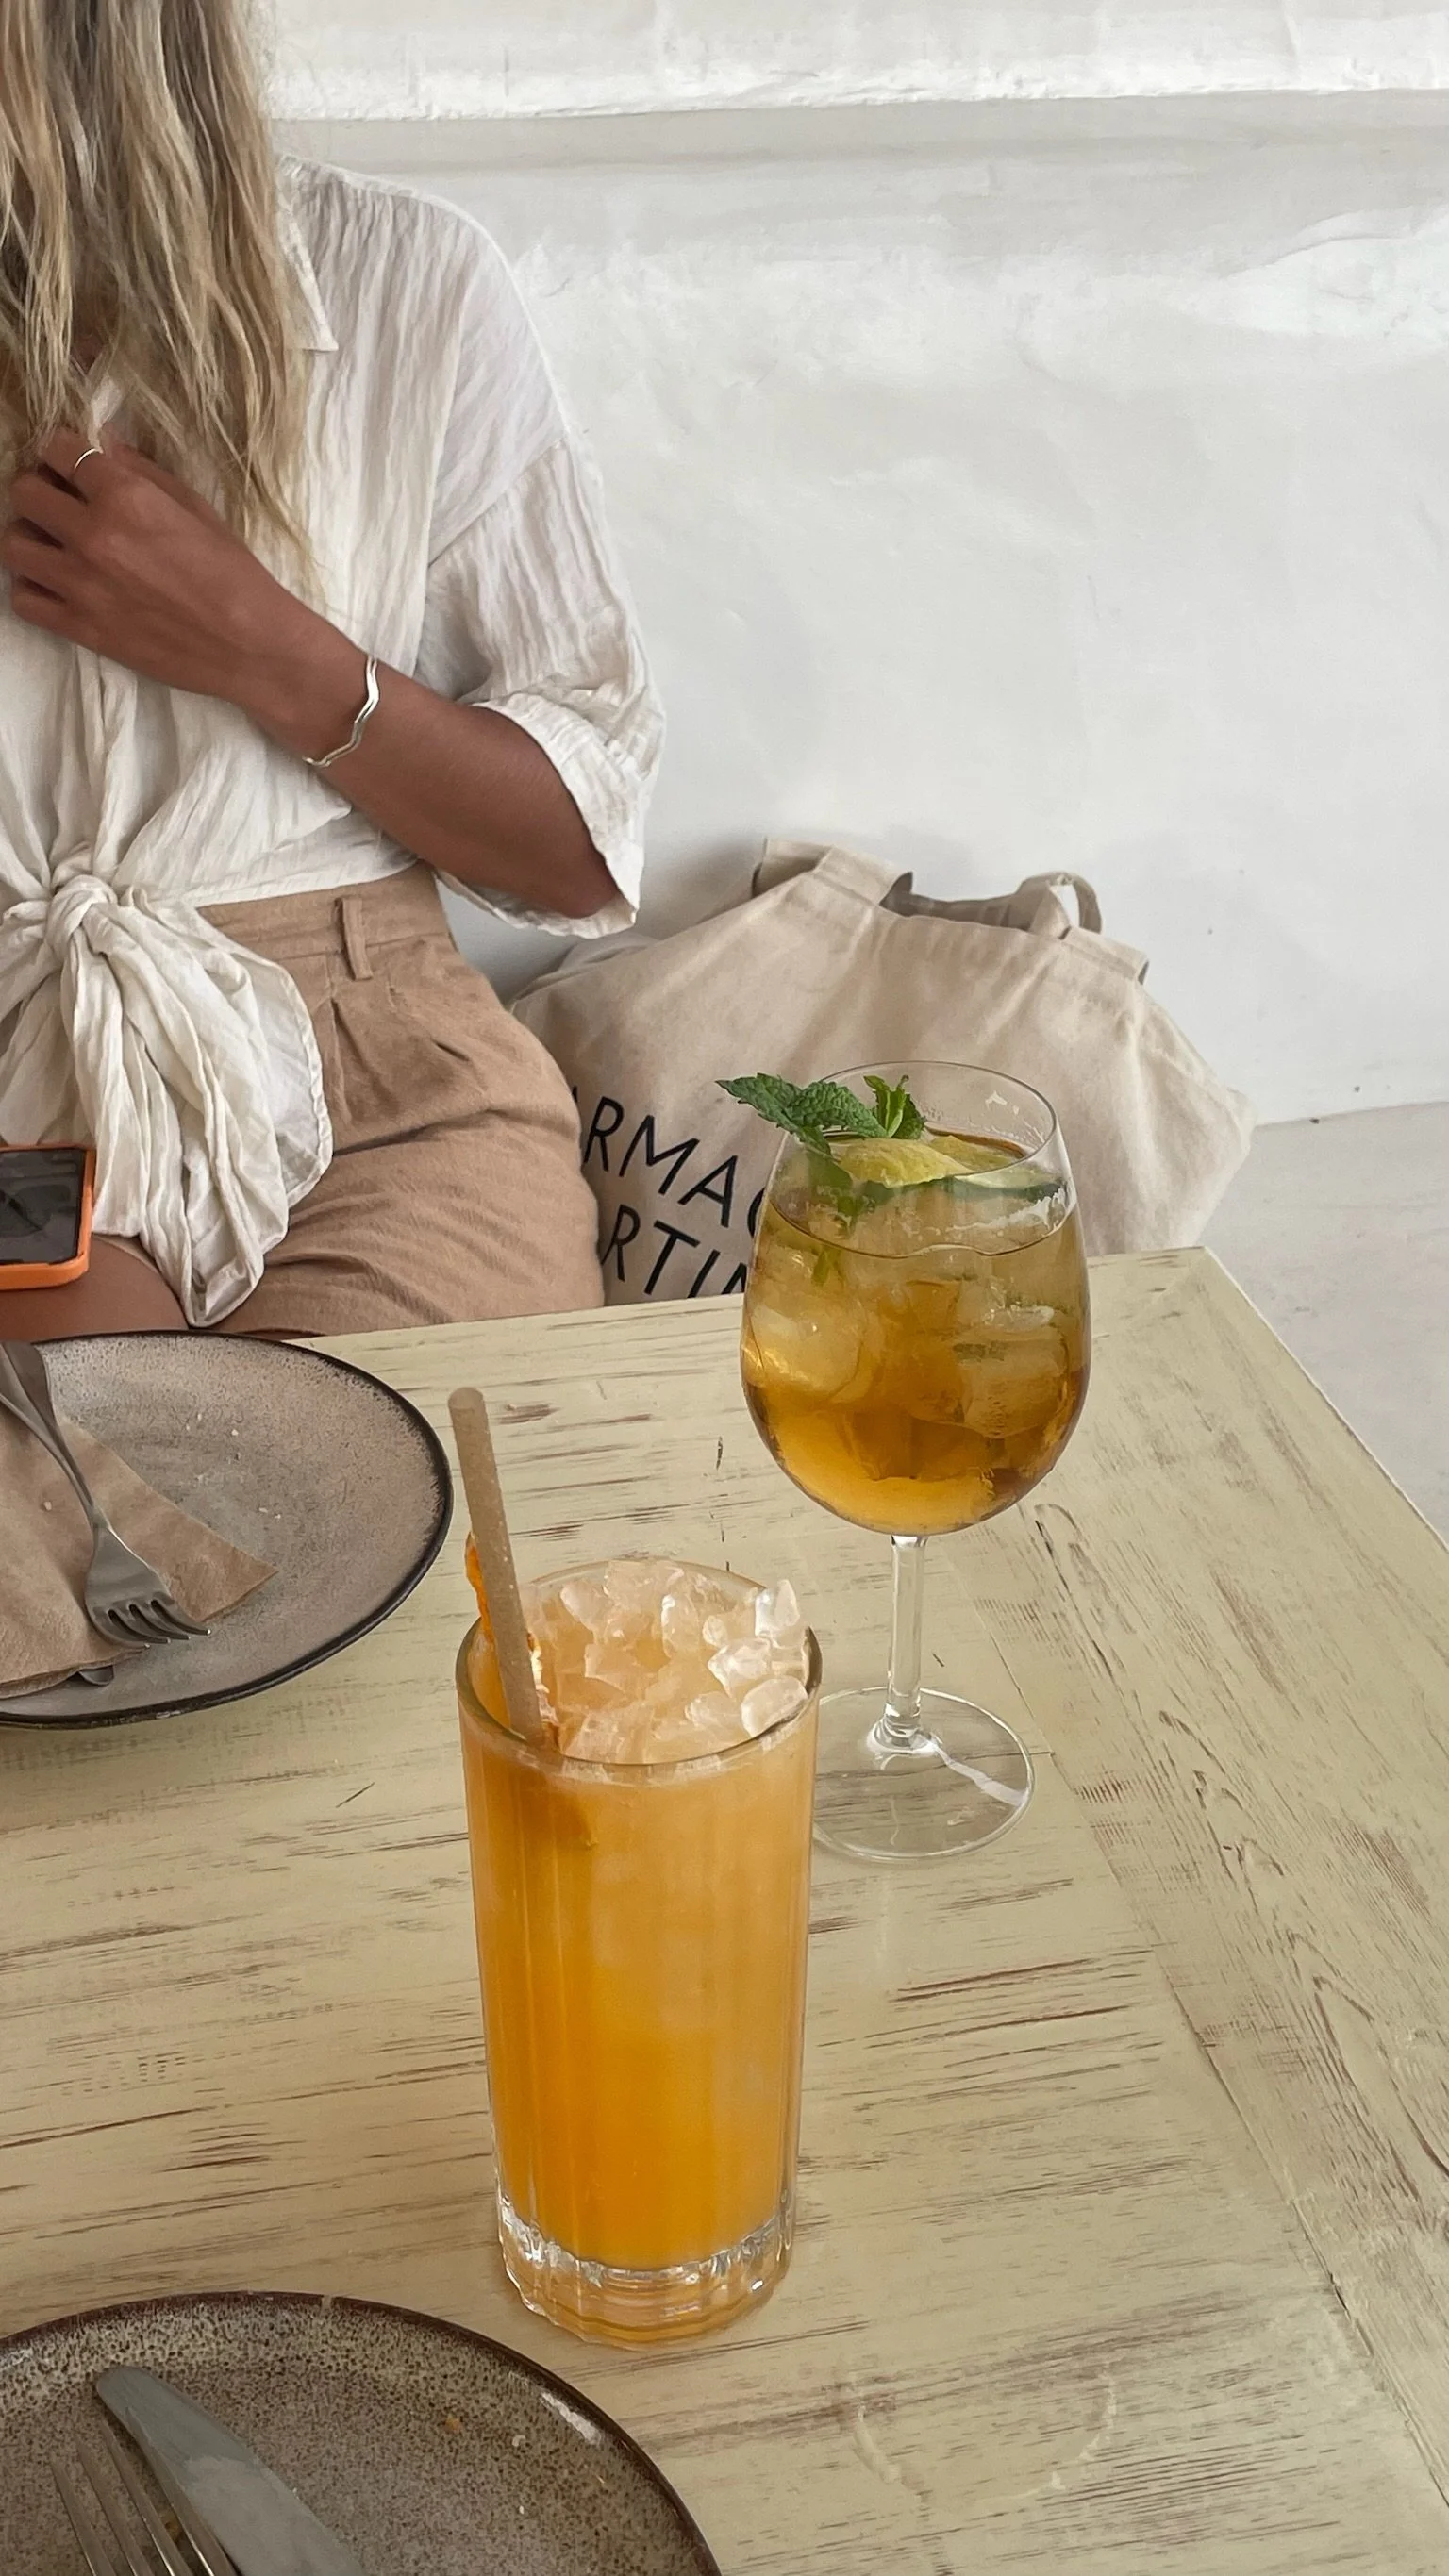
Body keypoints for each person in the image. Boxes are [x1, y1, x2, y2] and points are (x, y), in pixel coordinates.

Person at [0, 0, 662, 1342]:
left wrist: (270, 649)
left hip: (374, 1084)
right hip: (27, 1071)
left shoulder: (403, 286)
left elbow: (578, 855)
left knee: (411, 1508)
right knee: (95, 1528)